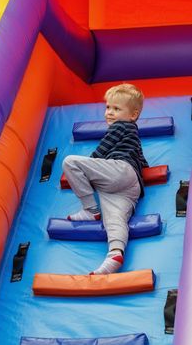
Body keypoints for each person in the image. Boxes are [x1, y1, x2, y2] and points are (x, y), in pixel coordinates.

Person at [63, 83, 149, 275]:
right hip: (129, 186)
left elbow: (101, 151)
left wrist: (87, 167)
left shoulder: (120, 126)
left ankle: (91, 210)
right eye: (108, 107)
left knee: (70, 162)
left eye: (116, 109)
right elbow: (141, 158)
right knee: (115, 219)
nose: (109, 112)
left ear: (133, 115)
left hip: (119, 171)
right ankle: (115, 253)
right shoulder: (133, 131)